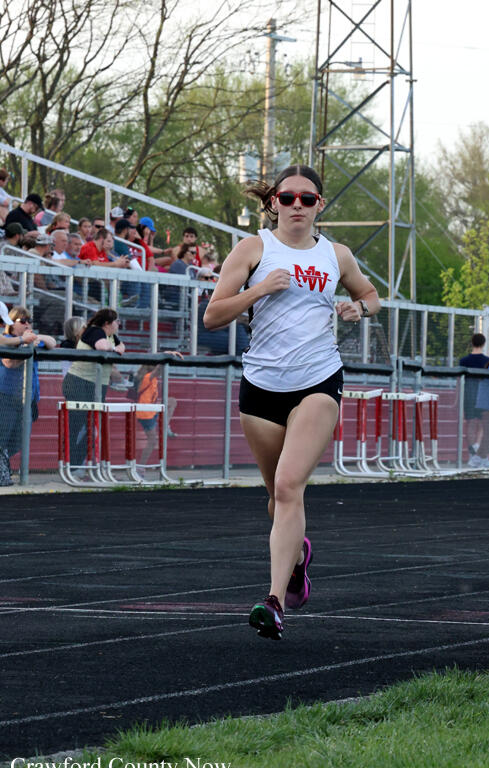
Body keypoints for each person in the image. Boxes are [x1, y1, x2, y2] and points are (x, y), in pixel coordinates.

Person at [203, 164, 381, 640]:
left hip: (318, 380)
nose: (297, 206)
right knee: (278, 499)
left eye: (307, 199)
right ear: (273, 203)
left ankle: (274, 601)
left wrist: (357, 307)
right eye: (287, 198)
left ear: (320, 204)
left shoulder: (336, 254)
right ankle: (299, 557)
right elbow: (213, 314)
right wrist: (260, 288)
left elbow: (370, 294)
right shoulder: (253, 248)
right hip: (261, 386)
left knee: (287, 486)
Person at [62, 308, 125, 470]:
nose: (119, 324)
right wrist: (114, 349)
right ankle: (70, 465)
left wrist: (117, 347)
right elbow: (102, 347)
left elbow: (122, 346)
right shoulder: (94, 331)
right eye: (116, 321)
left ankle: (75, 465)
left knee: (93, 428)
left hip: (97, 386)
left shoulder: (110, 336)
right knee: (76, 427)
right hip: (79, 382)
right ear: (107, 323)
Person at [0, 306, 56, 486]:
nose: (27, 324)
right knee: (2, 438)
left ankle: (4, 465)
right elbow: (9, 363)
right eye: (22, 321)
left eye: (29, 321)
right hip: (7, 397)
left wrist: (34, 339)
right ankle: (3, 473)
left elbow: (52, 342)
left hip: (28, 399)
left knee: (19, 441)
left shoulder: (28, 338)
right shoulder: (6, 340)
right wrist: (23, 343)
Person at [134, 361, 179, 478]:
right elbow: (158, 370)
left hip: (152, 408)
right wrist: (164, 357)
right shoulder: (147, 377)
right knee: (152, 441)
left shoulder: (152, 378)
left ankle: (165, 425)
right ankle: (140, 468)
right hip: (145, 413)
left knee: (172, 401)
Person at [459, 333, 489, 468]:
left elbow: (458, 381)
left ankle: (474, 451)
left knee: (471, 423)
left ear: (472, 343)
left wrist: (457, 397)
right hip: (482, 394)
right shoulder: (487, 361)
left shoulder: (464, 360)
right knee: (482, 424)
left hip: (469, 393)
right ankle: (475, 450)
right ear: (483, 344)